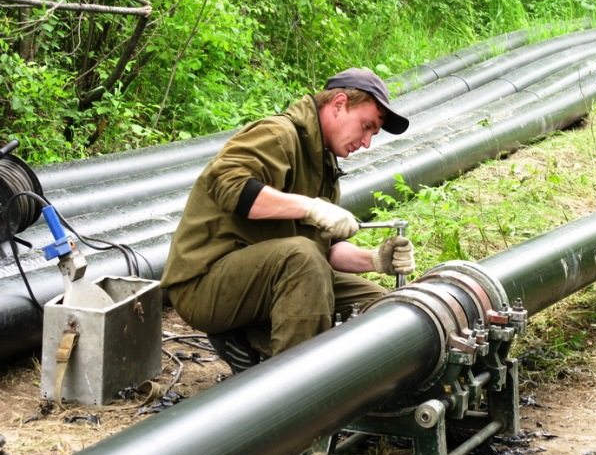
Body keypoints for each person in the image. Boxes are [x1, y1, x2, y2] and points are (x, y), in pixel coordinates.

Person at [161, 67, 415, 373]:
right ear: (338, 104)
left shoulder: (323, 163)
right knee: (301, 258)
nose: (366, 143)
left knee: (379, 303)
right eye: (365, 126)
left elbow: (326, 249)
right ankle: (291, 394)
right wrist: (309, 207)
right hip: (204, 283)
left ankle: (355, 387)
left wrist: (375, 260)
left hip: (267, 277)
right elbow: (229, 185)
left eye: (372, 133)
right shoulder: (278, 134)